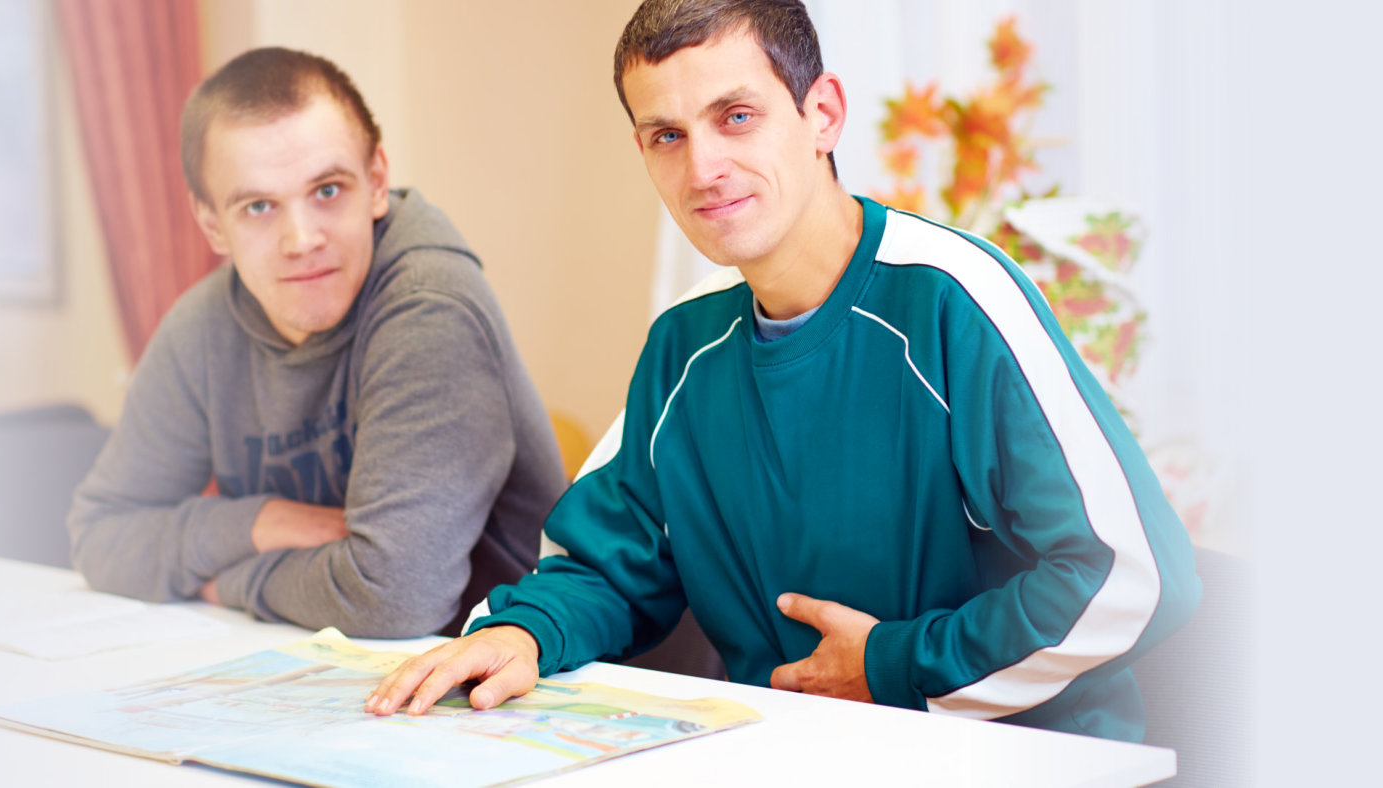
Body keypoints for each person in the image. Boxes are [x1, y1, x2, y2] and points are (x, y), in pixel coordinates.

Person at [368, 0, 1200, 741]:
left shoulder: (955, 300)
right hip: (790, 753)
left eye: (736, 117)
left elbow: (1134, 581)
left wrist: (893, 663)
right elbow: (606, 561)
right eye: (668, 136)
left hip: (1017, 759)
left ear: (822, 114)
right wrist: (524, 633)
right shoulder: (686, 338)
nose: (702, 169)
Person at [67, 48, 565, 638]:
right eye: (258, 207)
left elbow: (395, 601)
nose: (301, 240)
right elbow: (100, 538)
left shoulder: (431, 306)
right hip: (330, 681)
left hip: (503, 692)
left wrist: (225, 582)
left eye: (327, 191)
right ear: (211, 226)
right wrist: (260, 523)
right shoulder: (200, 329)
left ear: (377, 182)